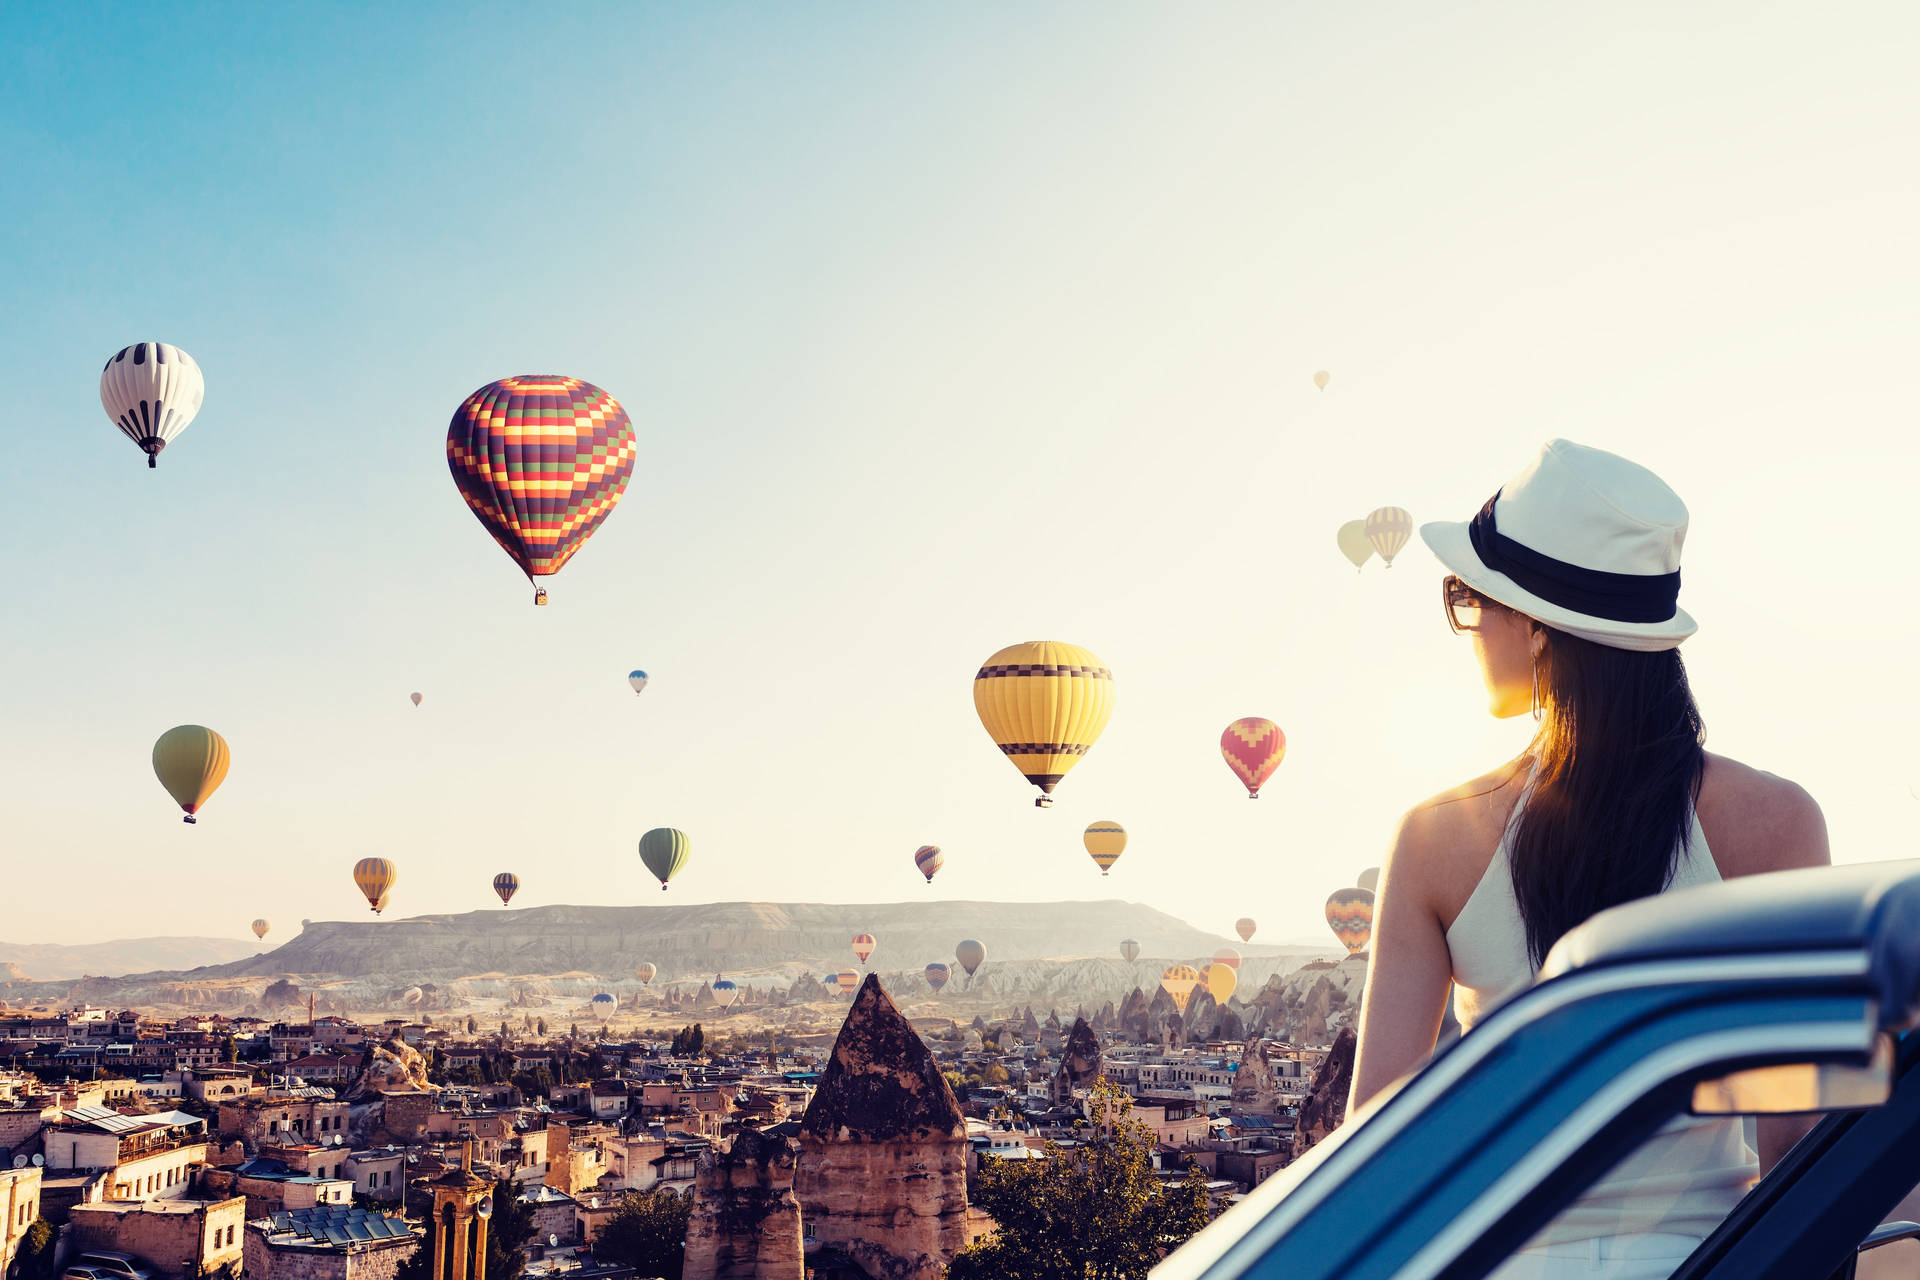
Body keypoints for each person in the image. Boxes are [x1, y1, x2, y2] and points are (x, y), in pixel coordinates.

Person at [1349, 439, 1829, 1279]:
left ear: (1534, 628)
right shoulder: (1778, 823)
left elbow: (1377, 1149)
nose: (1467, 628)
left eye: (1471, 600)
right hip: (1710, 1262)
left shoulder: (1435, 836)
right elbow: (1798, 1143)